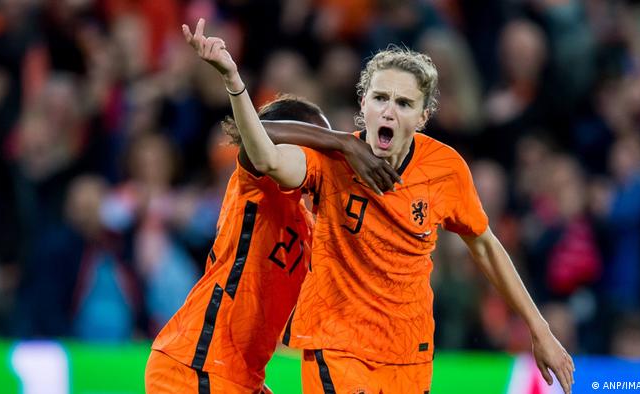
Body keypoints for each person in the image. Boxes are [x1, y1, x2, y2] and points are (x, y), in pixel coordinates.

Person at [183, 18, 575, 394]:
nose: (389, 110)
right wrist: (234, 81)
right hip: (337, 347)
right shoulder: (331, 161)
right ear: (363, 103)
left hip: (409, 354)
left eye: (404, 103)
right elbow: (267, 158)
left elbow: (485, 245)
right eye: (380, 98)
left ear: (422, 117)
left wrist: (540, 331)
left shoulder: (446, 169)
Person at [145, 94, 399, 392]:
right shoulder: (258, 189)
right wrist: (343, 141)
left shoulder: (307, 225)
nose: (326, 158)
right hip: (194, 366)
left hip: (239, 377)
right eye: (319, 146)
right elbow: (258, 131)